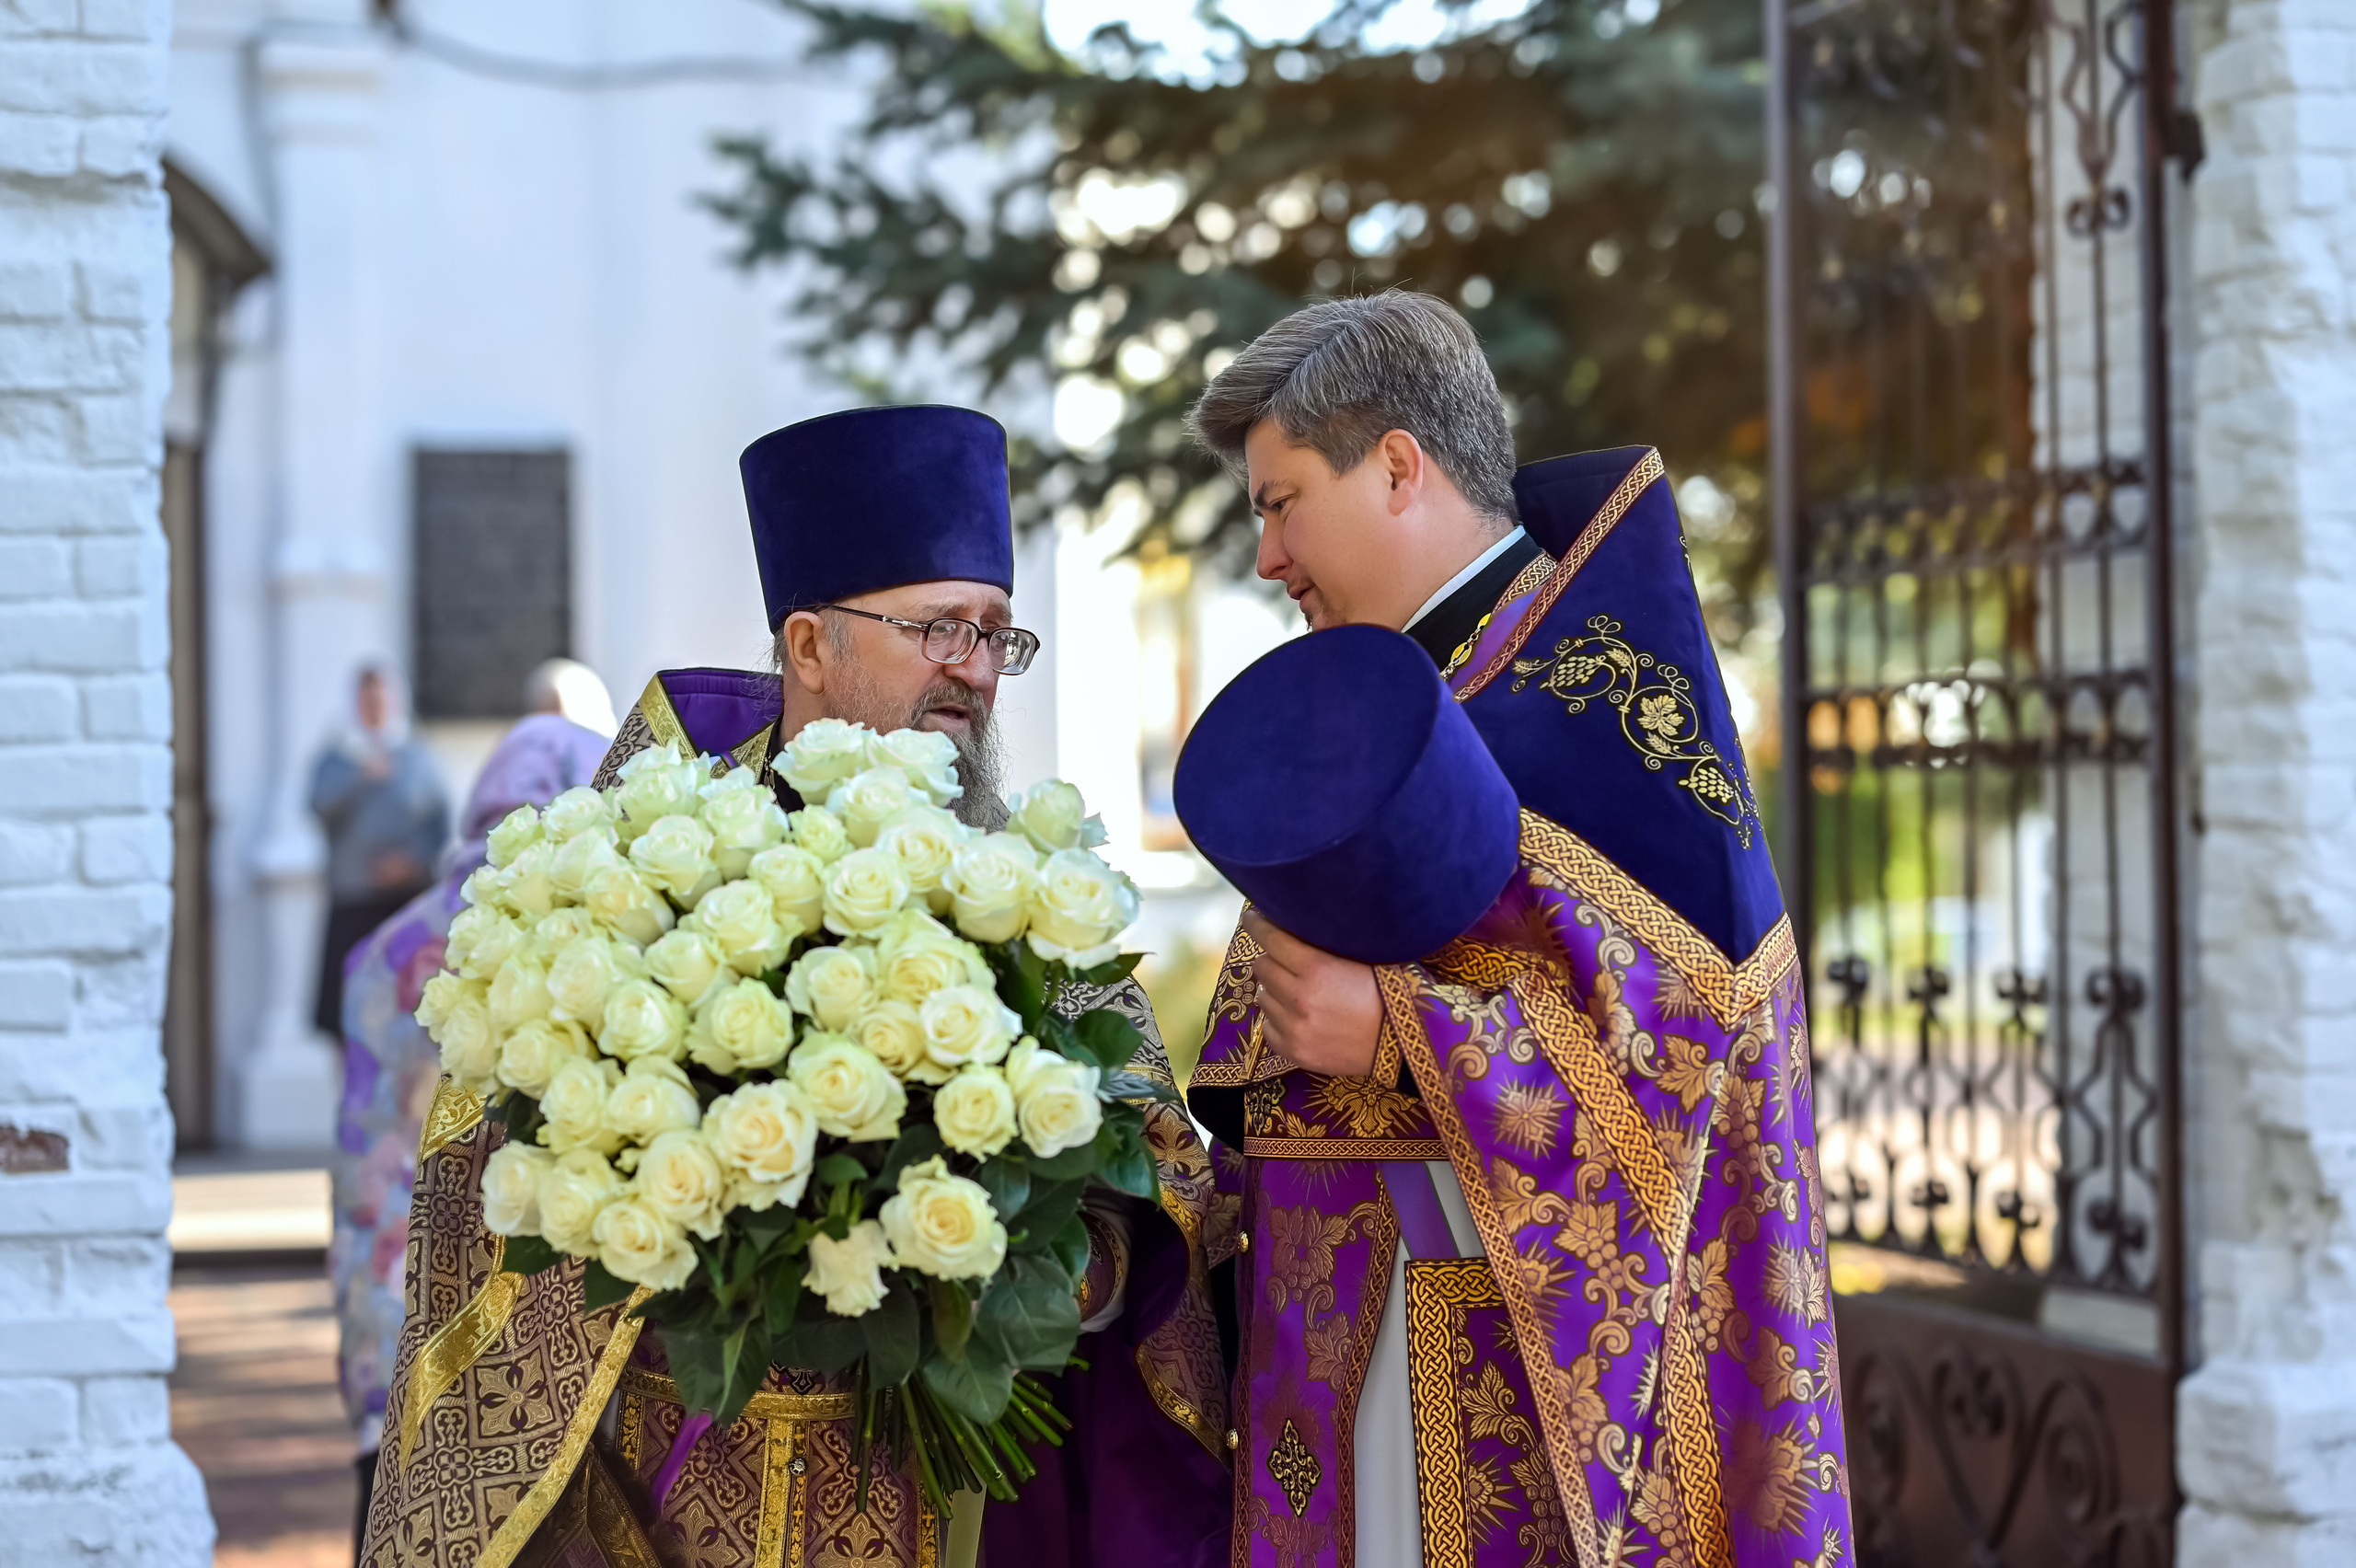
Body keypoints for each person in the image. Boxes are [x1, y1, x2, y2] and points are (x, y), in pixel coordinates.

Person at [361, 405, 1231, 1568]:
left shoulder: (1029, 889)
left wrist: (1038, 1266)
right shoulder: (644, 873)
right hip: (666, 1500)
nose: (972, 671)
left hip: (951, 1504)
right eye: (937, 629)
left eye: (994, 636)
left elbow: (1155, 1170)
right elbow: (495, 1169)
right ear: (810, 647)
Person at [1181, 293, 1854, 1567]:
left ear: (1394, 468)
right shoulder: (1406, 685)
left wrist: (1399, 1033)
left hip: (1521, 1398)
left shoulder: (1604, 698)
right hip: (1346, 1352)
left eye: (1279, 504)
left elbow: (1691, 1054)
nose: (1268, 557)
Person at [332, 713, 614, 1559]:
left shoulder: (383, 951)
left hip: (384, 1299)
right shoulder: (571, 933)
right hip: (517, 1327)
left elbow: (359, 1146)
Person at [310, 663, 451, 1039]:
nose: (375, 706)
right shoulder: (338, 757)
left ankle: (411, 1096)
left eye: (381, 697)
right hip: (354, 901)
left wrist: (412, 862)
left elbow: (438, 821)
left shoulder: (416, 756)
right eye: (367, 698)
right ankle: (352, 1095)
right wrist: (360, 775)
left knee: (413, 1013)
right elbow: (318, 806)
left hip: (404, 903)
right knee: (346, 1017)